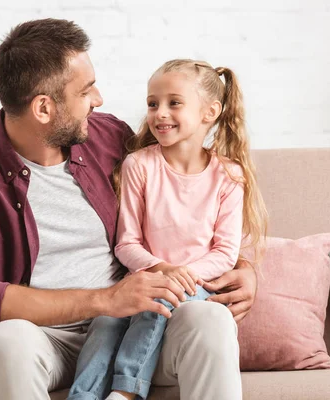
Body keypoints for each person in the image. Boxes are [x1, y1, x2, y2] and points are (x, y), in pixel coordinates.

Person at [0, 18, 258, 400]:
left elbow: (189, 197)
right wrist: (104, 300)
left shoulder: (109, 138)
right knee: (8, 340)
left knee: (211, 319)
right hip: (39, 338)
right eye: (86, 91)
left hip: (133, 329)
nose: (98, 99)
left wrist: (244, 268)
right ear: (43, 108)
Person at [67, 59, 269, 400]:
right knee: (106, 320)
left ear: (209, 112)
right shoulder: (139, 165)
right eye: (152, 103)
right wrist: (162, 270)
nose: (160, 112)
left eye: (174, 103)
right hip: (150, 277)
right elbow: (127, 243)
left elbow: (224, 252)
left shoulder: (229, 175)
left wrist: (180, 276)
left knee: (160, 297)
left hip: (196, 288)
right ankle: (82, 396)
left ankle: (126, 391)